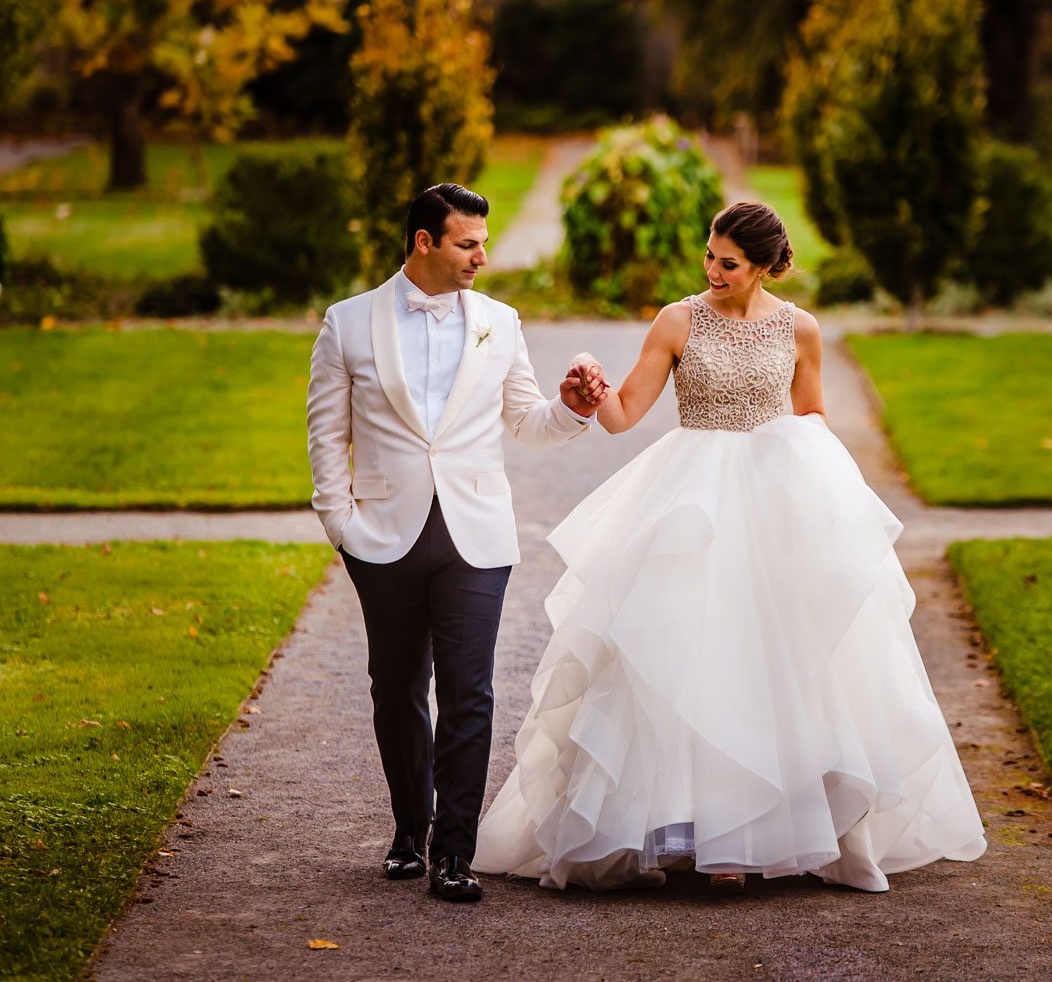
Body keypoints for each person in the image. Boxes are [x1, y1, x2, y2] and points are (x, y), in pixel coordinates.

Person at [473, 201, 987, 892]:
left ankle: (752, 839)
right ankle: (675, 831)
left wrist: (817, 504)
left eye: (729, 263)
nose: (712, 271)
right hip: (689, 503)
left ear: (768, 265)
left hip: (773, 505)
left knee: (769, 660)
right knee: (681, 655)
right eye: (710, 256)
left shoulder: (801, 330)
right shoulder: (678, 320)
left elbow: (812, 421)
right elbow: (626, 415)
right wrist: (590, 397)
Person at [305, 183, 608, 903]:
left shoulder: (501, 323)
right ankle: (410, 832)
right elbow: (325, 432)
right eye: (467, 243)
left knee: (469, 692)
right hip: (381, 534)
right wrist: (340, 524)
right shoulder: (347, 324)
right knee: (397, 686)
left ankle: (454, 854)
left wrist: (569, 409)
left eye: (481, 242)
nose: (482, 256)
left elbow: (527, 421)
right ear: (424, 243)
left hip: (477, 535)